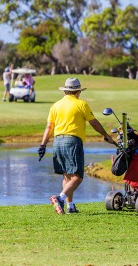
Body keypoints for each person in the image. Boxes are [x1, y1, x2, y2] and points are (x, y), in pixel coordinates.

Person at [38, 77, 116, 214]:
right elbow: (94, 123)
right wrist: (106, 135)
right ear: (78, 91)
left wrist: (43, 145)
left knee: (67, 176)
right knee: (78, 177)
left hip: (57, 142)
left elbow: (49, 127)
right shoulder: (81, 104)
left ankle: (70, 206)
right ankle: (60, 198)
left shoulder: (55, 105)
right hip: (72, 141)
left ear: (65, 91)